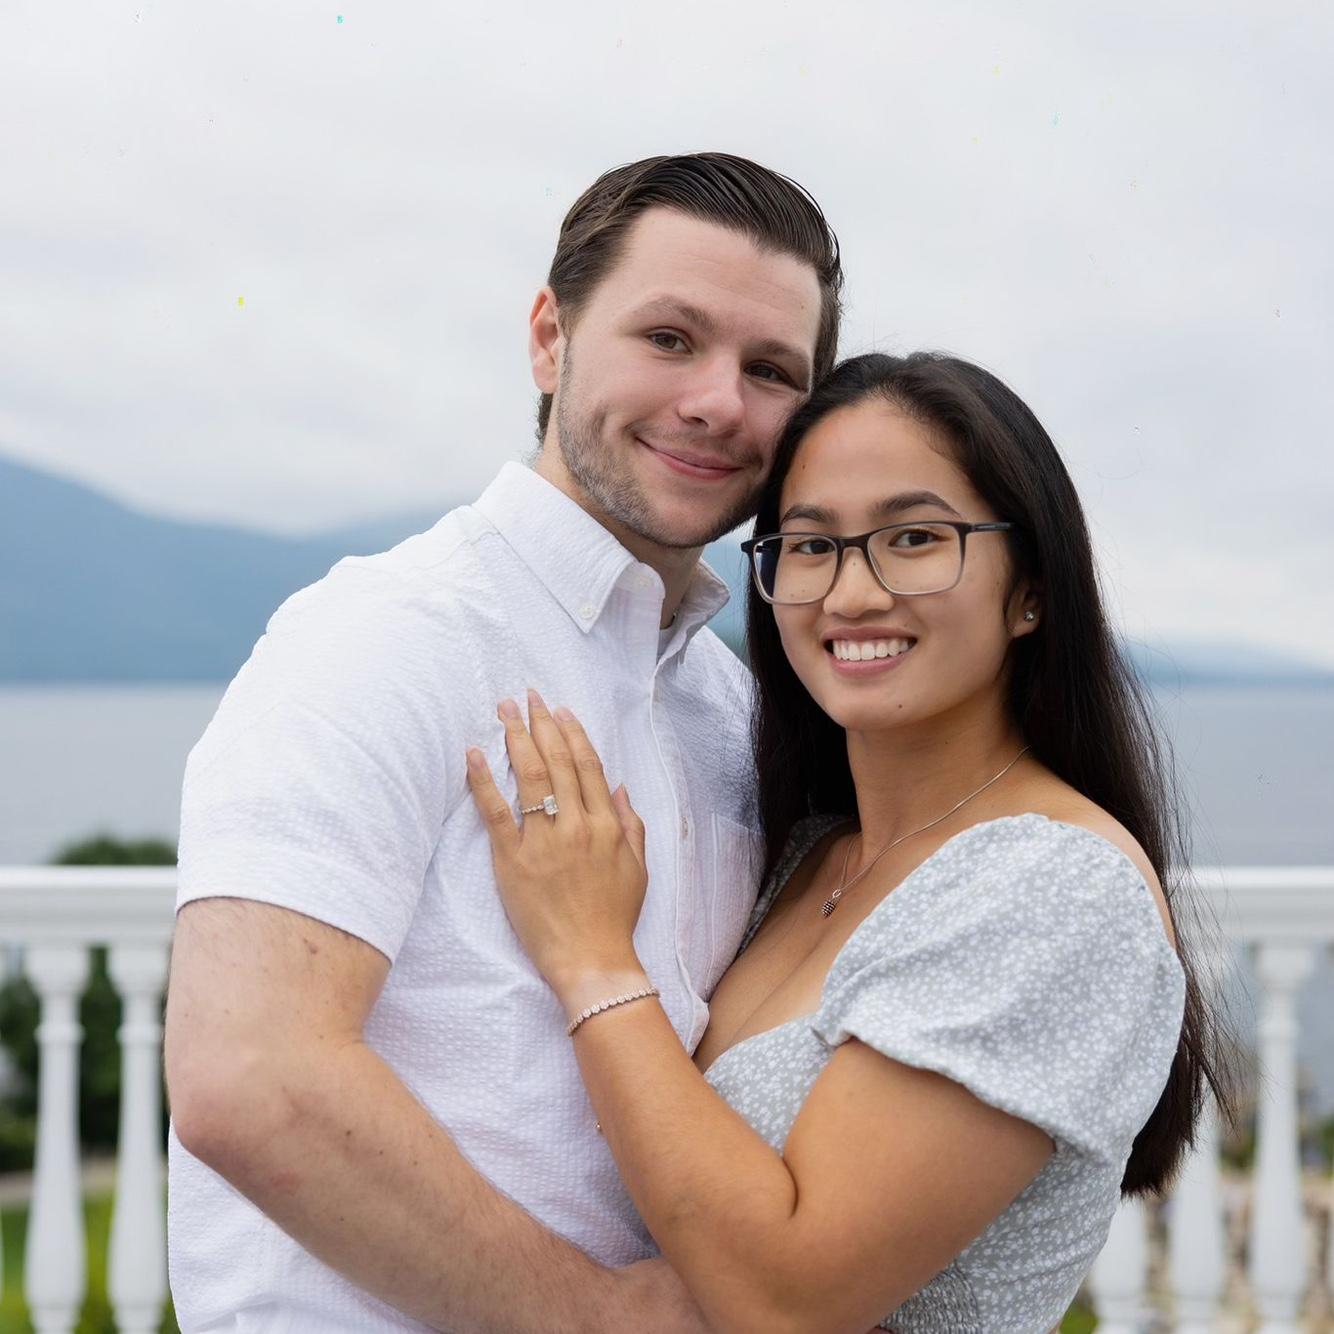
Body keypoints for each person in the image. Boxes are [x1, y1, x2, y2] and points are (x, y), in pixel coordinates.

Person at [163, 152, 843, 1332]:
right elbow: (247, 1076)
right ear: (549, 337)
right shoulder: (389, 633)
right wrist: (593, 1316)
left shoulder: (728, 710)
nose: (720, 402)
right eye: (670, 338)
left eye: (770, 369)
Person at [466, 352, 1232, 1333]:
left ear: (1029, 589)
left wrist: (592, 959)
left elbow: (787, 1296)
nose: (851, 592)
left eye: (914, 537)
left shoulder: (1056, 888)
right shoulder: (812, 854)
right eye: (810, 544)